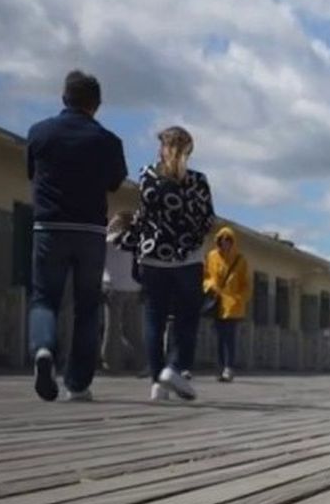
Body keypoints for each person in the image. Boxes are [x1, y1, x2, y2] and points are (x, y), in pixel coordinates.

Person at [26, 70, 128, 401]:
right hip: (89, 231)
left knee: (45, 298)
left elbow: (31, 172)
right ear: (96, 105)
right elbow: (114, 182)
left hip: (49, 228)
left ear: (64, 98)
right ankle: (78, 383)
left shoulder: (39, 133)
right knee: (87, 307)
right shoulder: (108, 141)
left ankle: (43, 350)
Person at [127, 126, 215, 401]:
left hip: (153, 257)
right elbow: (207, 221)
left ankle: (157, 382)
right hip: (187, 260)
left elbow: (141, 217)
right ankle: (175, 368)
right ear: (188, 150)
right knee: (186, 321)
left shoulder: (146, 176)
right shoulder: (198, 181)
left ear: (161, 148)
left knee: (154, 319)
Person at [203, 225, 250, 382]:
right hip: (216, 301)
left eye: (229, 240)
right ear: (218, 241)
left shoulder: (240, 260)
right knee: (220, 337)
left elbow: (246, 283)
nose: (225, 243)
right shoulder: (211, 256)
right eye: (222, 240)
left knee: (229, 337)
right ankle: (221, 367)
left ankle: (229, 368)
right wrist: (209, 286)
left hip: (232, 305)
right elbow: (206, 275)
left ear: (233, 242)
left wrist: (240, 298)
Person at [101, 211, 139, 372]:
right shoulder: (135, 241)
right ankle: (141, 361)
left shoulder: (110, 239)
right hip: (133, 287)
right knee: (134, 328)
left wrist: (109, 227)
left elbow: (98, 243)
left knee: (112, 329)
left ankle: (112, 363)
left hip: (113, 287)